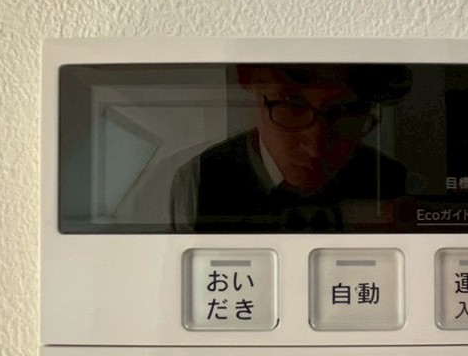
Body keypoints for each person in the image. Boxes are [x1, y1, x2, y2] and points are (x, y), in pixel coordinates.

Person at [171, 64, 412, 232]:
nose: (315, 148)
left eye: (346, 112)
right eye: (292, 105)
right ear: (248, 77)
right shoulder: (198, 180)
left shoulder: (393, 181)